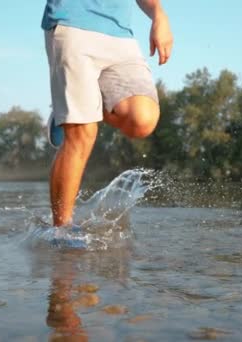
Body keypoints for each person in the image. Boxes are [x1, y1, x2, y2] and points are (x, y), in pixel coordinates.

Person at [42, 0, 173, 228]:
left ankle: (69, 111)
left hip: (121, 36)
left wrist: (159, 16)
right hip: (73, 24)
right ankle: (62, 233)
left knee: (142, 120)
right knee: (83, 133)